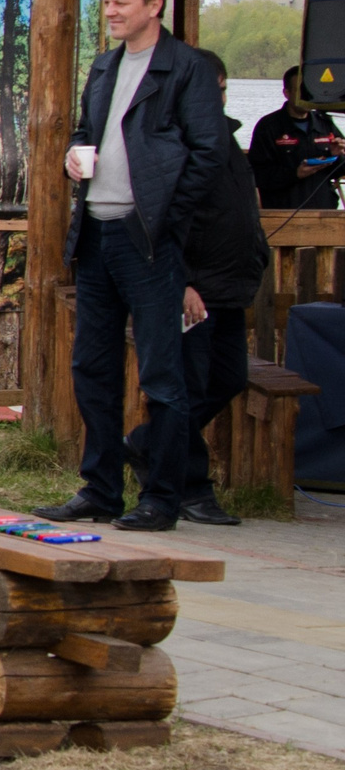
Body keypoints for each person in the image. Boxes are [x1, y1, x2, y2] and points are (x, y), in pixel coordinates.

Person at [35, 0, 225, 532]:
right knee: (91, 367)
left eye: (121, 3)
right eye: (108, 3)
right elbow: (86, 131)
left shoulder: (185, 68)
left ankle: (162, 498)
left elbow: (207, 154)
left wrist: (164, 220)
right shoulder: (103, 65)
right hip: (95, 232)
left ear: (154, 4)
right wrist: (75, 154)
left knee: (162, 376)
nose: (111, 12)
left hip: (149, 242)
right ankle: (100, 489)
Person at [123, 50, 262, 528]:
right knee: (186, 386)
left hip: (230, 283)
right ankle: (192, 488)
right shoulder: (171, 140)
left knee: (228, 378)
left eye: (222, 90)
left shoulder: (226, 137)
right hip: (189, 287)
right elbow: (158, 219)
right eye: (211, 90)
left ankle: (147, 443)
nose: (218, 98)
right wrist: (180, 281)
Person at [249, 65, 344, 210]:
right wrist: (295, 173)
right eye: (300, 91)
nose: (305, 96)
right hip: (283, 213)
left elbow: (341, 170)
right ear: (286, 93)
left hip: (323, 212)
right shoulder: (268, 126)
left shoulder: (324, 123)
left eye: (308, 90)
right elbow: (257, 174)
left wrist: (336, 155)